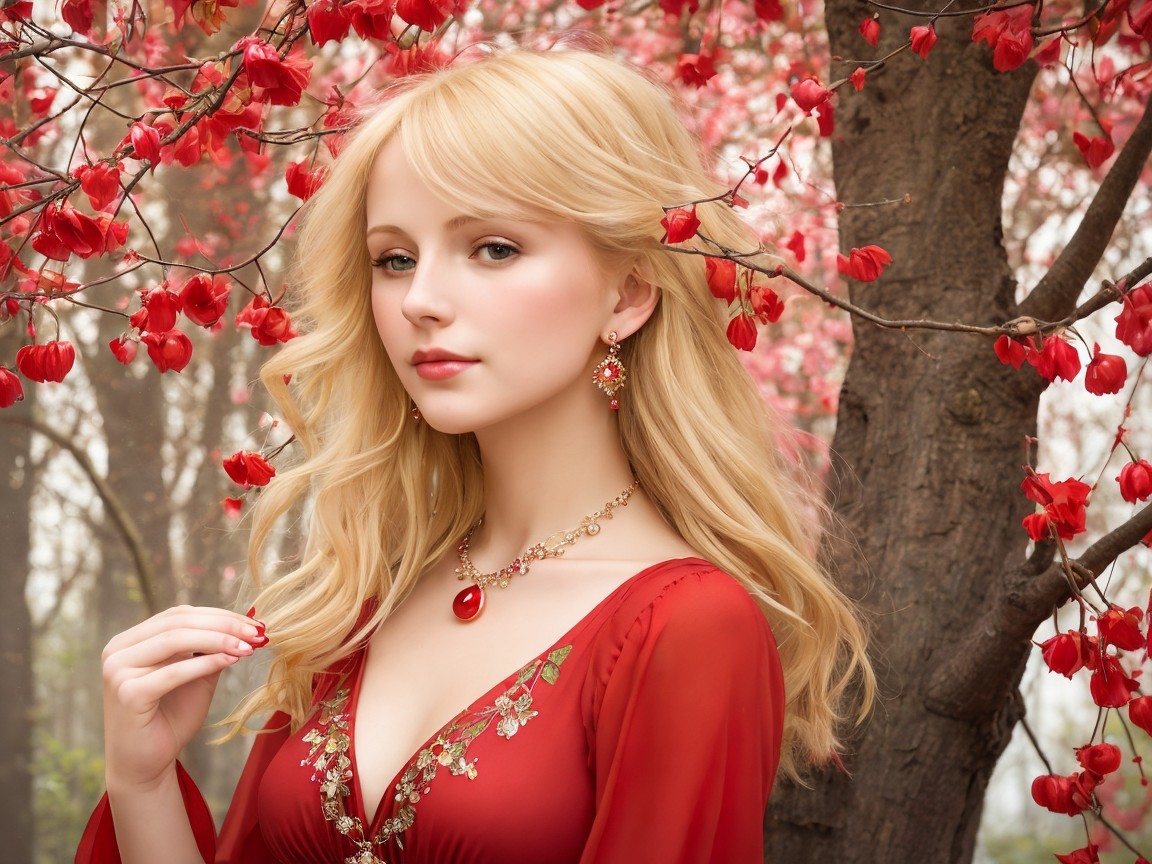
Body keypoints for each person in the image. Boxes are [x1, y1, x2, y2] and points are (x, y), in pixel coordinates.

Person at [79, 45, 872, 864]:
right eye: (395, 259)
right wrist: (141, 784)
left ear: (629, 292)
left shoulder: (688, 628)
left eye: (493, 248)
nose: (420, 301)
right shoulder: (364, 601)